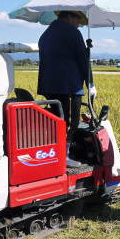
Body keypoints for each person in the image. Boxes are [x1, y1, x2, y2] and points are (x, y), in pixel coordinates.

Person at [37, 10, 97, 167]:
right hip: (69, 85)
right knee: (71, 123)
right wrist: (90, 83)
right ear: (70, 17)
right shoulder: (72, 33)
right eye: (78, 20)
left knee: (57, 120)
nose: (79, 25)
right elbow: (83, 60)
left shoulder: (46, 33)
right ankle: (64, 156)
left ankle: (56, 153)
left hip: (49, 85)